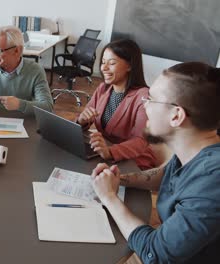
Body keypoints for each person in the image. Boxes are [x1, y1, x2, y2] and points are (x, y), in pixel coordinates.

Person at [91, 62, 220, 263]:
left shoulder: (213, 179)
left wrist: (109, 197)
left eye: (151, 99)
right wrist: (120, 179)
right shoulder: (194, 149)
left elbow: (155, 254)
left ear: (176, 116)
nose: (144, 105)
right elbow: (166, 175)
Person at [76, 39, 158, 170]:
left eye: (112, 63)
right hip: (105, 153)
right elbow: (86, 118)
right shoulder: (103, 88)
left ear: (130, 66)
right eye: (103, 62)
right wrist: (81, 120)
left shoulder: (143, 96)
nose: (104, 68)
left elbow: (141, 141)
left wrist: (109, 152)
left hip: (132, 159)